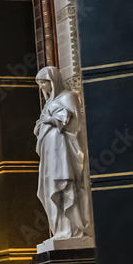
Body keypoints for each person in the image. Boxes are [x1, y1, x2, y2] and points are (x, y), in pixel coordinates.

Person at [34, 66, 92, 240]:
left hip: (64, 152)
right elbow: (41, 125)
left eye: (43, 82)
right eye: (39, 83)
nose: (41, 87)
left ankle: (74, 230)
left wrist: (50, 120)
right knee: (49, 189)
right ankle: (60, 230)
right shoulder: (49, 104)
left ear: (53, 81)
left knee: (66, 186)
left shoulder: (69, 97)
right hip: (50, 155)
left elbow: (74, 126)